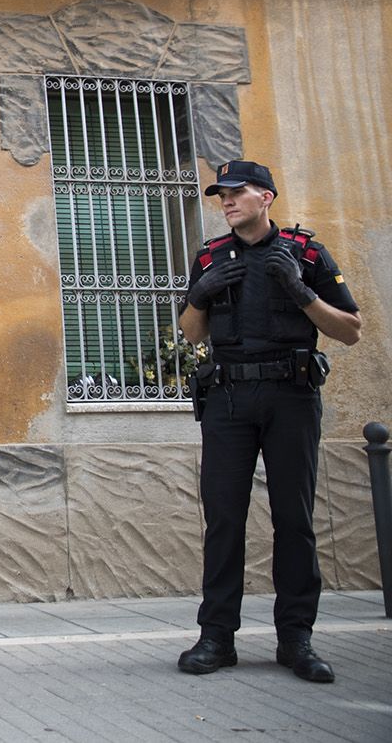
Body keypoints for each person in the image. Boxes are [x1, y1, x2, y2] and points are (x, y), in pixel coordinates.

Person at [175, 161, 360, 683]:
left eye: (238, 192)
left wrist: (301, 291)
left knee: (294, 519)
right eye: (222, 195)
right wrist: (200, 294)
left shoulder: (307, 254)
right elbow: (191, 333)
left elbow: (350, 330)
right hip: (229, 399)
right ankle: (216, 638)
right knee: (224, 519)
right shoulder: (210, 257)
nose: (228, 202)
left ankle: (296, 638)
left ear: (266, 197)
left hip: (290, 396)